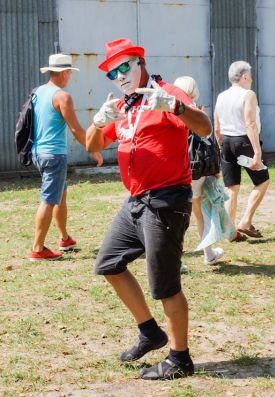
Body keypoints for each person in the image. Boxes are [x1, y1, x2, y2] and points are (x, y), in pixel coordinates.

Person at [85, 38, 211, 380]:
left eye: (124, 66)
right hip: (136, 202)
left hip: (166, 201)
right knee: (109, 263)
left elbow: (205, 127)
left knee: (165, 285)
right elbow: (92, 147)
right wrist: (98, 122)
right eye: (112, 71)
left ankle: (180, 358)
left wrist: (175, 107)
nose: (119, 74)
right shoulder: (123, 105)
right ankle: (149, 332)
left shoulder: (165, 93)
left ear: (140, 62)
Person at [29, 53, 103, 261]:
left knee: (60, 194)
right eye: (69, 72)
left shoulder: (37, 92)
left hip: (38, 151)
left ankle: (64, 238)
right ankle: (38, 248)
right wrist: (93, 148)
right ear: (64, 73)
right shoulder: (62, 96)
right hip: (54, 154)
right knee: (49, 199)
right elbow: (77, 130)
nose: (70, 76)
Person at [173, 76, 233, 266]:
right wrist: (215, 170)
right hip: (198, 171)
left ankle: (176, 260)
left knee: (178, 218)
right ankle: (208, 254)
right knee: (199, 214)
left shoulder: (171, 111)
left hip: (178, 171)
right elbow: (209, 142)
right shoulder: (198, 112)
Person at [213, 61, 270, 239]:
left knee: (232, 187)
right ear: (244, 77)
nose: (251, 80)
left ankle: (231, 232)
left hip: (227, 143)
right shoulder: (248, 94)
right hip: (243, 142)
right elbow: (250, 123)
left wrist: (221, 144)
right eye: (250, 76)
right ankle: (246, 221)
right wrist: (257, 152)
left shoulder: (221, 96)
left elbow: (216, 126)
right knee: (263, 179)